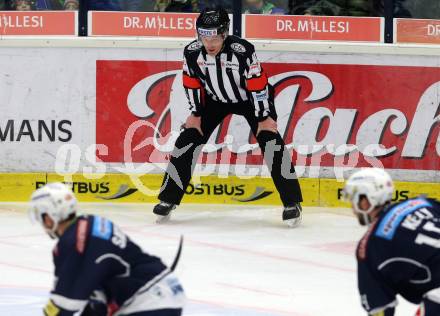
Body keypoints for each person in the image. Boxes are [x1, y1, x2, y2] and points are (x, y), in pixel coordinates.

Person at [153, 7, 303, 228]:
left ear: (225, 33)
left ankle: (292, 203)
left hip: (251, 100)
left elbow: (257, 83)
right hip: (215, 100)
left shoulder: (242, 50)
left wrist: (263, 116)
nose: (209, 42)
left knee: (270, 141)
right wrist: (195, 113)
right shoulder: (192, 52)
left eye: (215, 36)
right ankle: (168, 198)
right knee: (187, 139)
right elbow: (191, 81)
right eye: (204, 35)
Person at [30, 183, 185, 316]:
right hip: (160, 292)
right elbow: (96, 301)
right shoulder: (89, 224)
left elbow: (65, 303)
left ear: (49, 216)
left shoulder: (75, 240)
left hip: (150, 299)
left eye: (40, 216)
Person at [343, 168, 440, 316]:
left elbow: (381, 310)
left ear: (365, 201)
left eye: (353, 199)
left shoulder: (370, 247)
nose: (352, 208)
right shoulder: (421, 203)